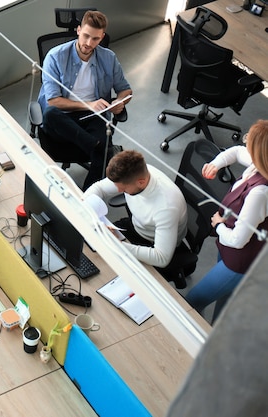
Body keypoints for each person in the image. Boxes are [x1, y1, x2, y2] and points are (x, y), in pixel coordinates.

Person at [38, 10, 132, 189]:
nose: (89, 43)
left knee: (102, 157)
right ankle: (94, 145)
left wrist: (118, 102)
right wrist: (88, 104)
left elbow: (125, 90)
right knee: (50, 114)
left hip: (93, 116)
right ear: (78, 30)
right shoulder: (55, 56)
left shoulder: (108, 58)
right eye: (86, 36)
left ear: (102, 37)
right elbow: (53, 101)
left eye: (95, 39)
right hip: (62, 117)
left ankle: (87, 197)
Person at [186, 120, 268, 322]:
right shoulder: (259, 164)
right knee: (224, 299)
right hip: (229, 248)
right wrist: (216, 163)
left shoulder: (260, 193)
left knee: (192, 302)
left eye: (250, 140)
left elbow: (239, 240)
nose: (245, 140)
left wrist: (218, 224)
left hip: (239, 259)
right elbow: (236, 152)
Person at [84, 150, 188, 282]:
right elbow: (99, 188)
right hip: (136, 226)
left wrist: (115, 245)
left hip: (153, 243)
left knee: (108, 274)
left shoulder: (166, 207)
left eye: (123, 189)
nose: (119, 191)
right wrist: (85, 205)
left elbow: (161, 258)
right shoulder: (133, 175)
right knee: (90, 249)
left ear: (141, 182)